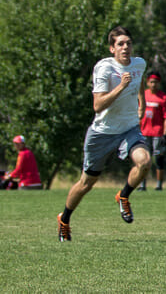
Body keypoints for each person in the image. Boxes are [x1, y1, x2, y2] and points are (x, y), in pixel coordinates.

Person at [56, 25, 150, 242]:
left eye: (128, 43)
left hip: (129, 128)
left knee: (144, 162)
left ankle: (123, 195)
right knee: (86, 184)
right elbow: (98, 105)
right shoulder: (104, 68)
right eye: (120, 44)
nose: (125, 47)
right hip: (102, 133)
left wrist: (141, 103)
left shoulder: (139, 63)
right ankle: (65, 219)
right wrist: (121, 87)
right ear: (112, 48)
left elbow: (140, 80)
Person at [138, 72, 166, 191]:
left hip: (157, 132)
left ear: (159, 83)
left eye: (156, 82)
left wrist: (165, 134)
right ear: (147, 82)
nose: (153, 84)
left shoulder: (163, 98)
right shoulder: (143, 95)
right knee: (144, 159)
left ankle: (159, 185)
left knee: (158, 158)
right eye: (151, 82)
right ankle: (142, 185)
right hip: (143, 132)